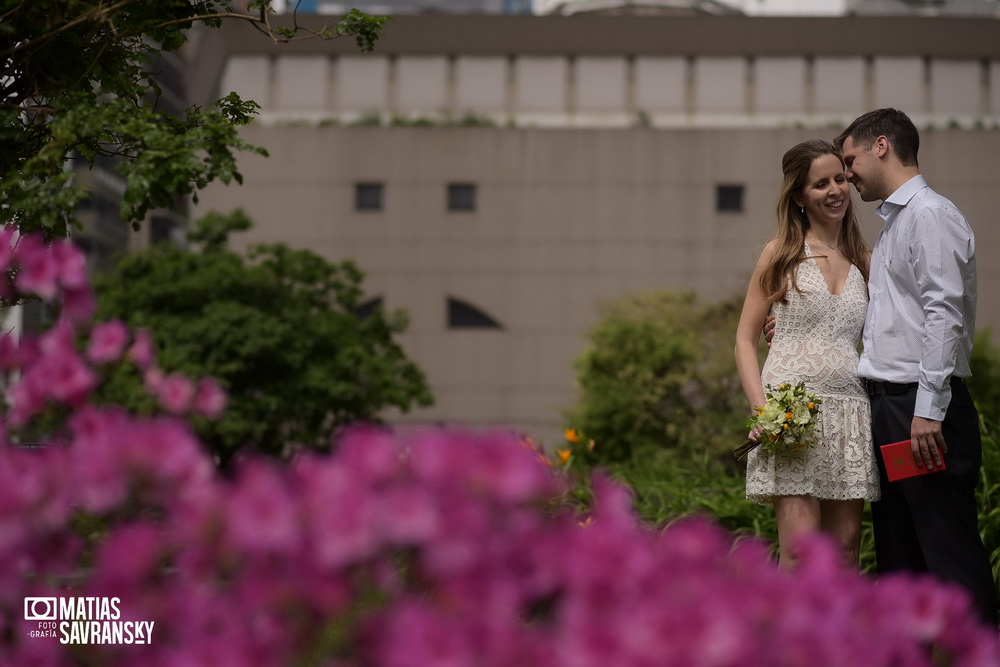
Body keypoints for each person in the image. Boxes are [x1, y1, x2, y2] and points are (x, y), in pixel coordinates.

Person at [834, 108, 998, 625]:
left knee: (949, 554)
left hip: (921, 412)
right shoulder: (895, 224)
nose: (847, 173)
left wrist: (927, 411)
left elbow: (943, 313)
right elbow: (893, 322)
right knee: (902, 560)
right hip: (892, 409)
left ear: (881, 145)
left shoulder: (929, 214)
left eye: (850, 159)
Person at [735, 139, 879, 570]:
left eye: (840, 178)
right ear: (799, 195)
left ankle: (838, 640)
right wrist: (763, 413)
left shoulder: (866, 261)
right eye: (820, 184)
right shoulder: (779, 253)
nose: (835, 190)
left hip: (850, 413)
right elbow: (744, 340)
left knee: (846, 549)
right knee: (799, 552)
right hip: (793, 413)